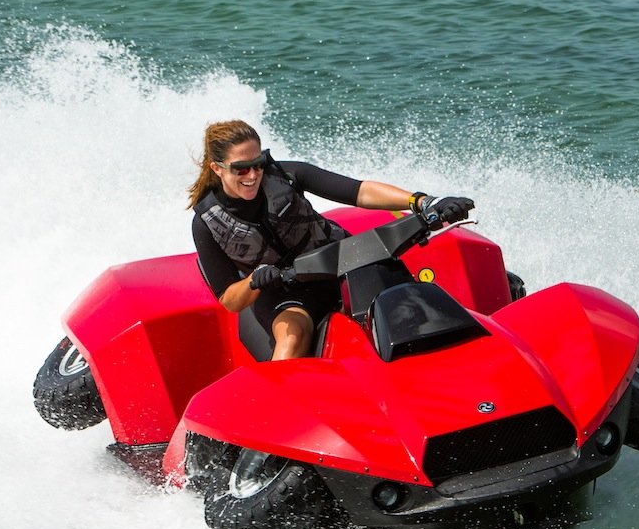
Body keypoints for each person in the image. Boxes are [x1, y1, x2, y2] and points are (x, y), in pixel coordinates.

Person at [187, 120, 474, 360]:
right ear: (217, 169)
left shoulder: (288, 174)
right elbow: (230, 300)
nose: (253, 175)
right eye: (241, 168)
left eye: (258, 163)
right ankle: (278, 415)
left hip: (340, 263)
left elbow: (359, 191)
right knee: (293, 338)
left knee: (411, 307)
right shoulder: (205, 224)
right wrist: (254, 280)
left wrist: (422, 201)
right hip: (286, 294)